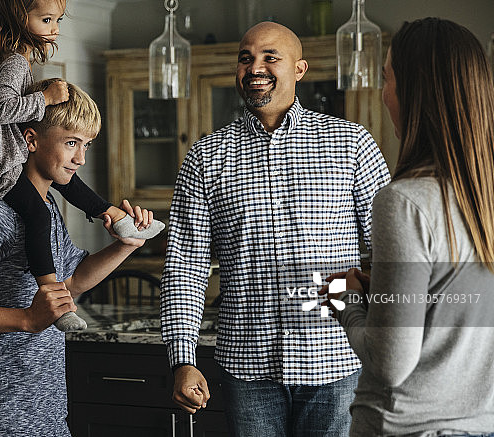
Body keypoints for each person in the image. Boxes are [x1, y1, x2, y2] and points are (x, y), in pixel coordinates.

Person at [160, 21, 391, 436]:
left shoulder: (350, 142)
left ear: (299, 70)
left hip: (336, 362)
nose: (255, 67)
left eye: (271, 57)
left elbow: (389, 250)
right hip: (246, 367)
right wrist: (183, 358)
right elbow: (185, 266)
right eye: (246, 58)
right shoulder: (205, 156)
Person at [0, 79, 154, 437]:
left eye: (86, 145)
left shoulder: (47, 208)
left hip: (47, 408)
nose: (81, 158)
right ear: (30, 141)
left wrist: (125, 246)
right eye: (71, 143)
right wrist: (27, 319)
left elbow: (70, 283)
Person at [0, 0, 162, 332]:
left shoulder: (13, 62)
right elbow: (1, 109)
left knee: (65, 184)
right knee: (37, 213)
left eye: (57, 19)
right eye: (46, 19)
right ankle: (47, 290)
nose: (54, 28)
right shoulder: (13, 62)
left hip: (48, 384)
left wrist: (126, 242)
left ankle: (114, 215)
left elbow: (78, 279)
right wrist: (47, 98)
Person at [323, 18, 494, 436]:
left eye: (387, 79)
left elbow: (390, 365)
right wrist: (384, 292)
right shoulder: (483, 199)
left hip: (408, 427)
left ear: (415, 93)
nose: (383, 94)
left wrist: (346, 301)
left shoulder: (405, 202)